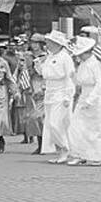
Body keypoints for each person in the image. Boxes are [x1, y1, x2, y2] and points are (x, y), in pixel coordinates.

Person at [66, 35, 101, 166]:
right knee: (76, 127)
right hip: (84, 95)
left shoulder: (96, 64)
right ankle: (79, 153)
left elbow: (98, 83)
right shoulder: (83, 65)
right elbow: (79, 81)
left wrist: (90, 100)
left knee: (95, 129)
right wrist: (73, 77)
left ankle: (97, 156)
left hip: (95, 98)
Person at [40, 31, 75, 163]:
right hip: (50, 92)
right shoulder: (50, 57)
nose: (47, 44)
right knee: (50, 123)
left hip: (61, 93)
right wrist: (39, 66)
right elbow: (45, 74)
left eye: (49, 42)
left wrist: (68, 95)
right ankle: (60, 150)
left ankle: (65, 148)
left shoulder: (65, 57)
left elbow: (69, 77)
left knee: (57, 123)